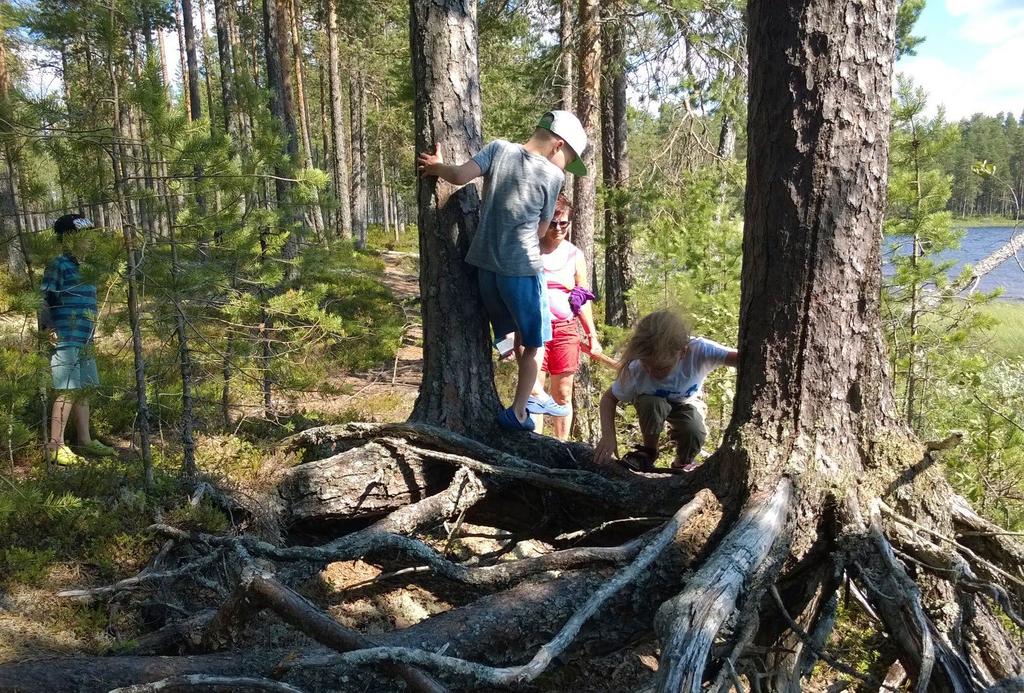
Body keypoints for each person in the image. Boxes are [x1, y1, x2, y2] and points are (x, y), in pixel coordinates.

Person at [417, 110, 590, 431]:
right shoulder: (554, 177)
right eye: (568, 157)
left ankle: (523, 376)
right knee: (537, 342)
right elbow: (540, 230)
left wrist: (436, 166)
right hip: (522, 271)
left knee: (510, 333)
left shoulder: (498, 149)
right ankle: (521, 410)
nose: (565, 165)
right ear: (557, 144)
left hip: (485, 267)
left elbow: (457, 176)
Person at [593, 309, 737, 472]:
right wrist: (608, 437)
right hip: (652, 402)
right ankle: (648, 453)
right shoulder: (637, 369)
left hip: (686, 403)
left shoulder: (700, 351)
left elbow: (742, 357)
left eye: (660, 368)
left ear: (682, 352)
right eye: (646, 364)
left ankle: (684, 462)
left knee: (694, 430)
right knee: (652, 403)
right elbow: (609, 399)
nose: (650, 372)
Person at [40, 214, 115, 464]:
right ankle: (55, 445)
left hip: (85, 339)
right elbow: (44, 298)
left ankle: (85, 440)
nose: (89, 240)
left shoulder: (86, 267)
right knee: (67, 390)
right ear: (68, 240)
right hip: (65, 338)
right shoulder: (59, 264)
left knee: (84, 389)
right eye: (83, 236)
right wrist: (47, 328)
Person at [533, 193, 602, 440]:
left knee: (562, 393)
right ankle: (534, 445)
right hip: (534, 330)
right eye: (553, 223)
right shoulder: (530, 249)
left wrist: (592, 335)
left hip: (565, 330)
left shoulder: (575, 255)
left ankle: (560, 447)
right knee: (534, 390)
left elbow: (580, 299)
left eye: (564, 223)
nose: (559, 228)